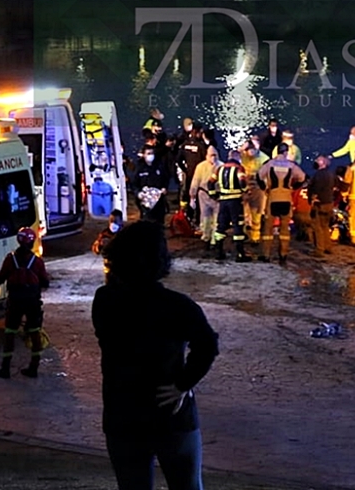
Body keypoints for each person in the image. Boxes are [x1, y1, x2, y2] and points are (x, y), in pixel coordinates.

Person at [93, 221, 220, 490]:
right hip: (171, 413)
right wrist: (184, 384)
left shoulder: (105, 301)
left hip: (123, 415)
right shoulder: (178, 306)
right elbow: (207, 344)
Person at [0, 227, 52, 379]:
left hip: (15, 301)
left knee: (10, 333)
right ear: (32, 242)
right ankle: (34, 368)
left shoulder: (10, 259)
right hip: (32, 301)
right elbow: (45, 282)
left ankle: (5, 369)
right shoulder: (37, 261)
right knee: (34, 333)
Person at [256, 143, 307, 264]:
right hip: (286, 198)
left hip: (272, 198)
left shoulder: (270, 164)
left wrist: (264, 188)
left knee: (268, 229)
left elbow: (258, 176)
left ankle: (266, 255)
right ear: (286, 152)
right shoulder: (291, 165)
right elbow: (302, 178)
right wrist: (293, 188)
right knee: (284, 229)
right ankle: (283, 254)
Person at [210, 150, 252, 262]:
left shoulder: (220, 169)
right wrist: (246, 190)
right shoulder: (239, 168)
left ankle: (219, 252)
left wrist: (213, 195)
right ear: (238, 158)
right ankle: (240, 254)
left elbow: (210, 182)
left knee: (221, 226)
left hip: (223, 201)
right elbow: (242, 182)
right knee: (238, 226)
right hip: (235, 202)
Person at [188, 146, 221, 249]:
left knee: (216, 219)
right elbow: (195, 181)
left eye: (214, 155)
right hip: (204, 195)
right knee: (205, 217)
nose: (213, 158)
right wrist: (192, 196)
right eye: (211, 155)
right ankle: (206, 237)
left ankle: (214, 240)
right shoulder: (201, 167)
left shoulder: (221, 166)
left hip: (217, 196)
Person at [307, 155, 337, 258]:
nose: (315, 161)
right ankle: (327, 247)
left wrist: (312, 199)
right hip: (329, 203)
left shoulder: (318, 175)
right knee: (325, 226)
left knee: (317, 227)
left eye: (318, 160)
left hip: (320, 204)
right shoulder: (331, 174)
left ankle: (319, 249)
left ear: (323, 163)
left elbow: (315, 189)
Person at [239, 138, 268, 244]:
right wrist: (242, 148)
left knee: (257, 213)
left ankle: (255, 237)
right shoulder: (243, 155)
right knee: (244, 214)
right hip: (244, 187)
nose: (250, 155)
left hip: (258, 188)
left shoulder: (264, 158)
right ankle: (244, 234)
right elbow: (234, 155)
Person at [133, 145, 170, 223]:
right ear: (144, 155)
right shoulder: (140, 168)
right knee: (147, 222)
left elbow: (165, 179)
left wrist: (164, 188)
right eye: (148, 153)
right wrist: (138, 193)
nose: (151, 155)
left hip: (159, 201)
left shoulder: (159, 166)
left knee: (159, 222)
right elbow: (134, 184)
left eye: (152, 153)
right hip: (145, 201)